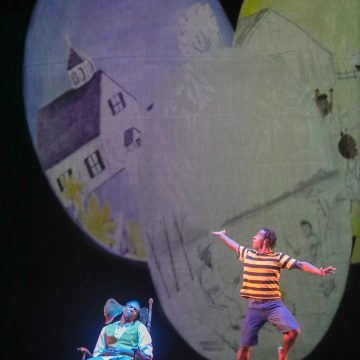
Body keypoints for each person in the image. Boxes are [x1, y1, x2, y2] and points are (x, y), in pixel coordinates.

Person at [211, 228, 336, 360]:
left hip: (273, 306)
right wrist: (222, 236)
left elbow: (300, 264)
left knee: (293, 331)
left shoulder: (278, 258)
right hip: (254, 307)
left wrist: (319, 271)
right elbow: (235, 246)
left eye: (257, 235)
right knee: (245, 346)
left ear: (265, 241)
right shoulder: (248, 254)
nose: (254, 237)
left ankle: (283, 352)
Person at [88, 300, 153, 360]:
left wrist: (126, 351)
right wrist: (106, 353)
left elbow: (147, 356)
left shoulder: (140, 327)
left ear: (136, 315)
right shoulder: (106, 329)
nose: (132, 310)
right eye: (130, 307)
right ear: (124, 308)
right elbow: (97, 354)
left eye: (135, 310)